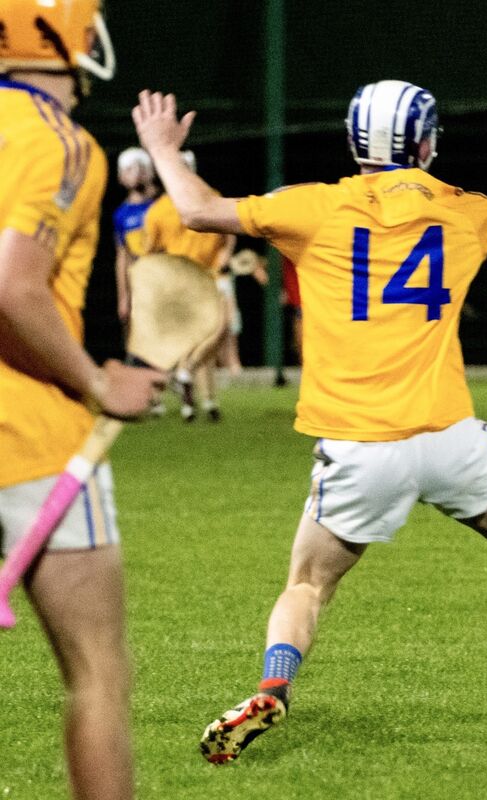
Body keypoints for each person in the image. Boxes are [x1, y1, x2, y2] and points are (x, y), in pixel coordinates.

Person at [132, 80, 487, 761]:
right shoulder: (460, 210)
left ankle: (274, 685)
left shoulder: (313, 208)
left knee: (308, 584)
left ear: (354, 141)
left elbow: (199, 211)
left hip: (358, 448)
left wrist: (161, 149)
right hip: (448, 439)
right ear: (427, 142)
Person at [0, 3, 164, 799]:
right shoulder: (59, 140)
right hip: (34, 441)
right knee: (99, 675)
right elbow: (13, 287)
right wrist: (99, 383)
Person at [141, 150, 235, 422]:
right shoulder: (159, 210)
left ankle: (189, 380)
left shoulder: (211, 197)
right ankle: (196, 402)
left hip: (211, 275)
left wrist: (224, 258)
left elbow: (229, 235)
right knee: (193, 340)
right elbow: (151, 252)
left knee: (220, 329)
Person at [112, 146, 159, 327]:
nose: (137, 173)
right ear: (120, 177)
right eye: (129, 168)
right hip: (141, 287)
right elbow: (123, 256)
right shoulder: (121, 214)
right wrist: (124, 297)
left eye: (141, 166)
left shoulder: (164, 205)